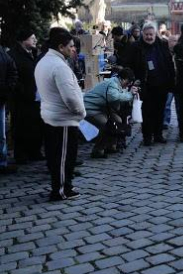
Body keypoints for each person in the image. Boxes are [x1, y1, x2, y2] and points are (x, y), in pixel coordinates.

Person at [35, 28, 86, 201]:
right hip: (63, 119)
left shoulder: (45, 61)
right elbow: (70, 97)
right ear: (60, 46)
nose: (73, 49)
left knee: (55, 154)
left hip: (51, 116)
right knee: (64, 156)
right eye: (71, 46)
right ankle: (61, 189)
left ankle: (62, 186)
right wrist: (81, 112)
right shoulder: (58, 65)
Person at [122, 22, 175, 146]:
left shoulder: (162, 44)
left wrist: (171, 81)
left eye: (151, 34)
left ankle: (158, 134)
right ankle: (147, 136)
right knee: (146, 112)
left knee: (160, 111)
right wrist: (133, 80)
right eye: (146, 35)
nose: (149, 37)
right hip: (145, 85)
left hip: (161, 83)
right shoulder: (136, 47)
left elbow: (169, 63)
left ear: (155, 34)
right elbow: (128, 64)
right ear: (142, 34)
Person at [83, 68, 136, 158]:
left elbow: (118, 99)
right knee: (106, 123)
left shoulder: (117, 84)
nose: (129, 84)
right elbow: (114, 98)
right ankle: (98, 150)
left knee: (117, 120)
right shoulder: (112, 84)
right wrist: (130, 94)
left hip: (101, 109)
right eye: (129, 81)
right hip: (91, 108)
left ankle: (111, 145)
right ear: (123, 79)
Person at [8, 30, 43, 166]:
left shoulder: (34, 53)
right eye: (32, 38)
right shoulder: (13, 55)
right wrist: (21, 90)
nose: (35, 40)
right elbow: (13, 76)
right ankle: (21, 155)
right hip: (20, 98)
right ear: (23, 40)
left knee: (35, 125)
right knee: (20, 126)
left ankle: (34, 152)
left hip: (34, 96)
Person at [0, 43, 18, 174]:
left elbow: (12, 72)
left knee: (1, 134)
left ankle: (2, 162)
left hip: (1, 98)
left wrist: (6, 91)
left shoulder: (3, 54)